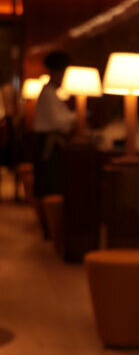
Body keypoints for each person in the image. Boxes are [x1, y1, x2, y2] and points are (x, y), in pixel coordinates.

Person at [32, 51, 76, 230]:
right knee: (50, 183)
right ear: (57, 73)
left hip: (49, 142)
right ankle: (50, 226)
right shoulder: (49, 94)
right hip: (49, 144)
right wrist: (78, 116)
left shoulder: (52, 93)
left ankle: (50, 225)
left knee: (50, 182)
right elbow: (59, 121)